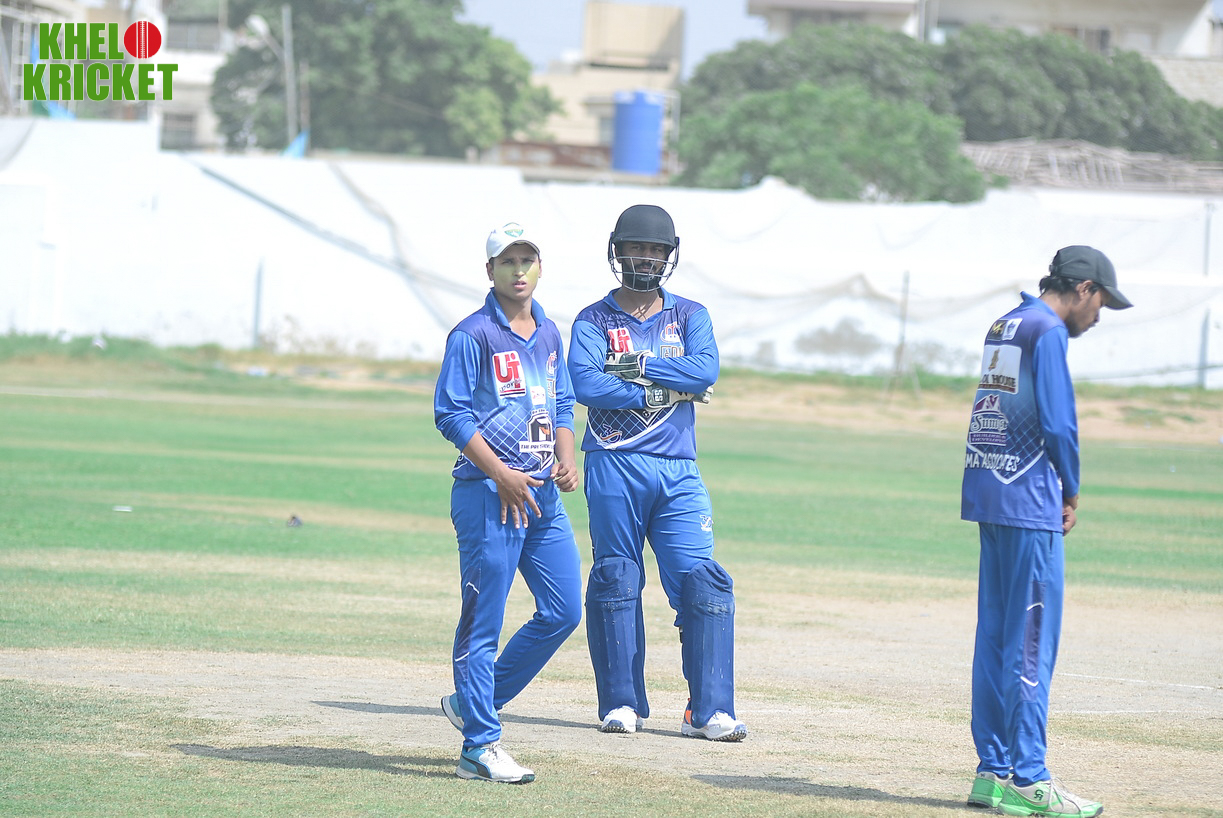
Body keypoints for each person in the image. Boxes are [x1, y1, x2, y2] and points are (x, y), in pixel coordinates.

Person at [962, 246, 1131, 816]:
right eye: (1101, 303)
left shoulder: (1006, 323)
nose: (1099, 317)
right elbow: (1059, 422)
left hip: (989, 490)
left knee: (994, 639)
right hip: (1031, 500)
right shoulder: (1048, 330)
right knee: (1031, 642)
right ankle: (1030, 778)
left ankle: (992, 772)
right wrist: (1072, 489)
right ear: (1083, 288)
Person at [568, 203, 746, 742]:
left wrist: (636, 367)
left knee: (704, 582)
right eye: (635, 249)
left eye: (654, 250)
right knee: (616, 578)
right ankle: (622, 703)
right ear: (616, 252)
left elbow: (705, 370)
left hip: (678, 469)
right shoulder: (593, 320)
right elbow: (587, 384)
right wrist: (665, 389)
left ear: (669, 256)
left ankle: (709, 711)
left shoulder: (690, 315)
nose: (644, 258)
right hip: (612, 462)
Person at [433, 222, 583, 784]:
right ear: (490, 270)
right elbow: (450, 414)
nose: (518, 271)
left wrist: (566, 457)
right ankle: (479, 746)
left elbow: (561, 402)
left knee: (564, 610)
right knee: (483, 624)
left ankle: (473, 702)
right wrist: (500, 474)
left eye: (527, 261)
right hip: (487, 494)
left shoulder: (549, 332)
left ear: (540, 268)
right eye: (507, 262)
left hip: (542, 495)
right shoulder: (472, 335)